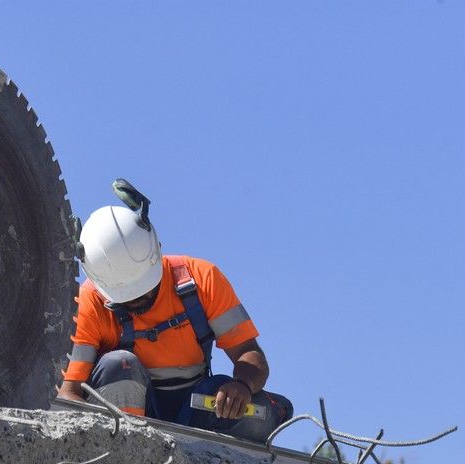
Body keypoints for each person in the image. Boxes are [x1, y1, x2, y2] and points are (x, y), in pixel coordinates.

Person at [56, 180, 292, 442]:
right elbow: (70, 393)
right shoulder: (89, 301)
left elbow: (249, 353)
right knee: (119, 364)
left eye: (146, 288)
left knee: (258, 416)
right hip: (124, 415)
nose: (139, 299)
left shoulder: (201, 279)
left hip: (195, 407)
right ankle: (132, 449)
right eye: (127, 296)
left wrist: (242, 386)